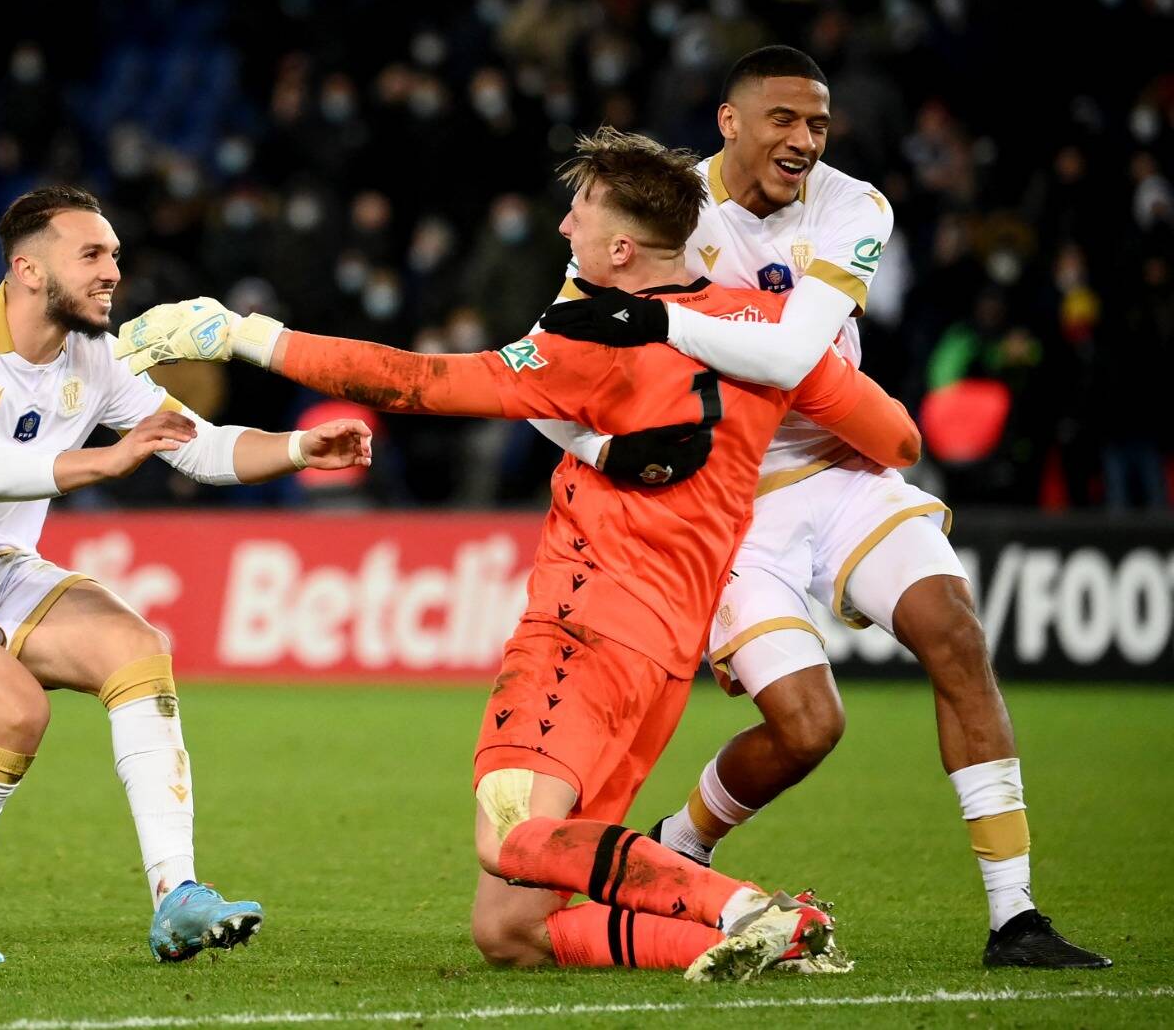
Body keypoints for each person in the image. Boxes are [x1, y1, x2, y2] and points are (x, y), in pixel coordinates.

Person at [117, 128, 920, 980]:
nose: (564, 227)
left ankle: (740, 904)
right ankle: (771, 941)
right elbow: (897, 436)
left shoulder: (589, 345)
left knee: (513, 837)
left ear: (621, 247)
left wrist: (242, 333)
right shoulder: (767, 331)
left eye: (579, 214)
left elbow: (411, 382)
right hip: (662, 660)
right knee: (510, 925)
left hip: (580, 633)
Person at [539, 47, 1108, 969]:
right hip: (733, 503)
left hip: (842, 473)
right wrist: (606, 447)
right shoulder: (663, 209)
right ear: (729, 122)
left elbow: (800, 352)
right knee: (809, 726)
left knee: (955, 633)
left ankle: (1016, 917)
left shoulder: (856, 207)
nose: (804, 141)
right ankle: (681, 844)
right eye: (784, 121)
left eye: (817, 124)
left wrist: (662, 322)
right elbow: (543, 364)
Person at [0, 186, 372, 964]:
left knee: (137, 646)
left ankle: (177, 894)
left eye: (114, 253)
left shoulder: (95, 357)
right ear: (28, 270)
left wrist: (294, 450)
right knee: (13, 715)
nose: (114, 270)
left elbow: (196, 445)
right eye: (92, 254)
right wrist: (107, 459)